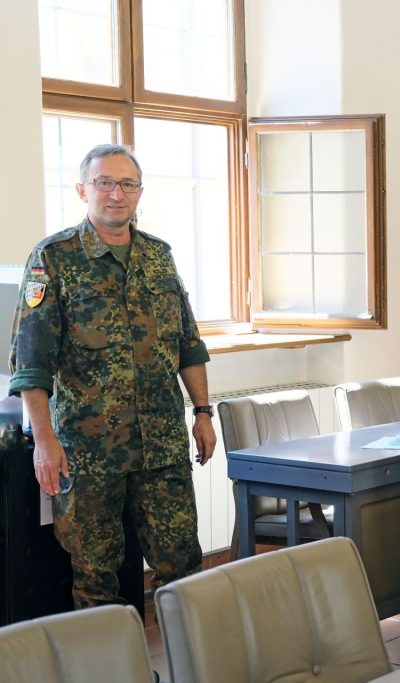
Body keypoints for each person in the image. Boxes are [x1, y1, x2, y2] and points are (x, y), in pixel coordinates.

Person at [8, 144, 216, 609]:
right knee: (95, 576)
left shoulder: (159, 256)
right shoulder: (53, 258)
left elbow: (188, 344)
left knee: (182, 569)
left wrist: (203, 413)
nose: (116, 194)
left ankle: (192, 668)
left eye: (127, 184)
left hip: (161, 445)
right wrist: (44, 441)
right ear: (83, 190)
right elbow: (31, 364)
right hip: (88, 452)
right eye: (104, 183)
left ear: (140, 192)